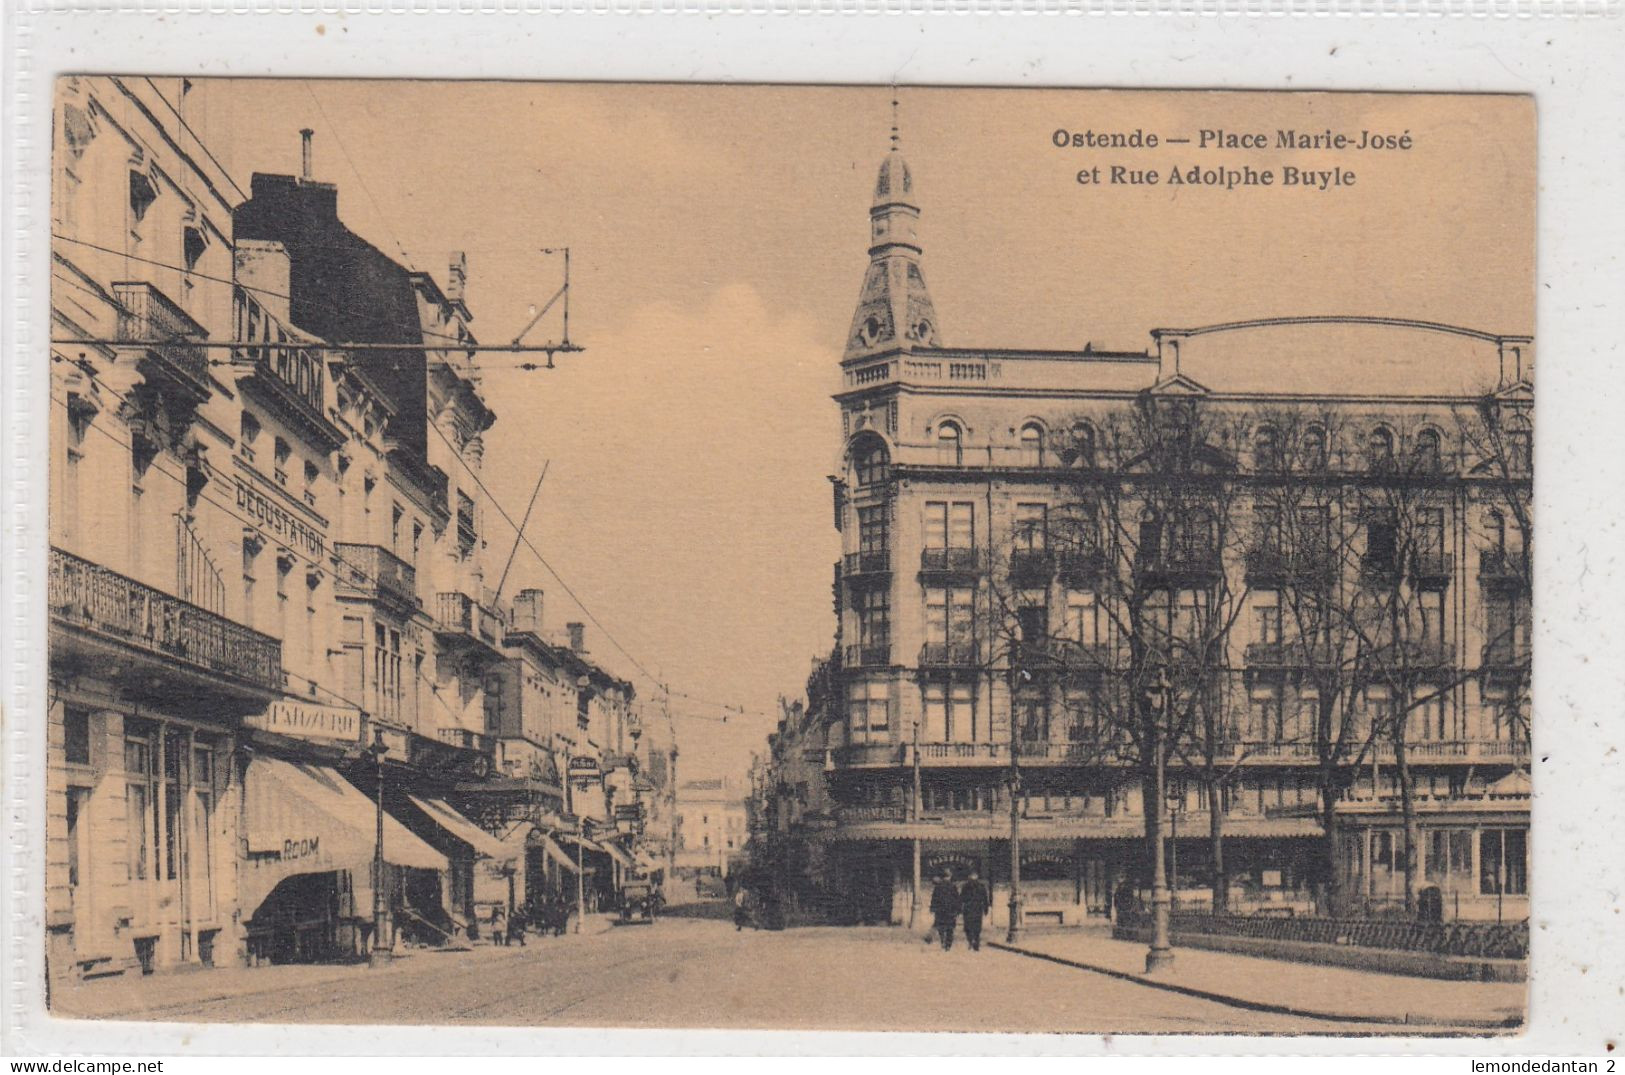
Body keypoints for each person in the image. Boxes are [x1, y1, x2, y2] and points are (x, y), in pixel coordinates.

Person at [959, 868, 990, 952]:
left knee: (969, 926)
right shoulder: (981, 886)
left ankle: (971, 941)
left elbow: (961, 898)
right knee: (977, 926)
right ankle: (975, 941)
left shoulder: (965, 886)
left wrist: (960, 909)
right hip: (977, 908)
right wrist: (986, 909)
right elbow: (985, 899)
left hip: (969, 908)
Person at [929, 871, 961, 951]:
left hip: (940, 911)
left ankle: (943, 941)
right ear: (949, 877)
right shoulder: (953, 887)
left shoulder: (938, 887)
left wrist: (933, 908)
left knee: (941, 927)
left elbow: (934, 898)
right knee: (950, 928)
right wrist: (958, 910)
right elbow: (957, 899)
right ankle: (948, 945)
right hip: (951, 911)